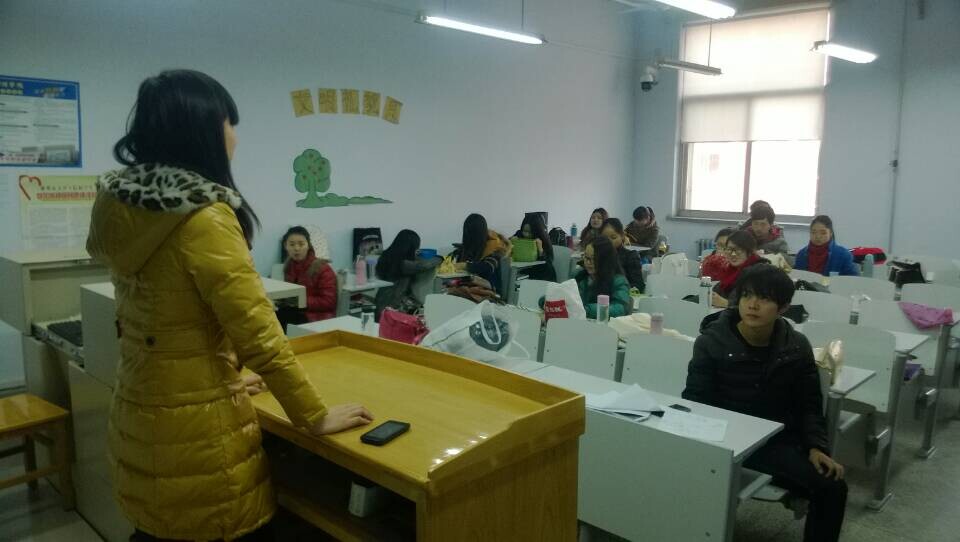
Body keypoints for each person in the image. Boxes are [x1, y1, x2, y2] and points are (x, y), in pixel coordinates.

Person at [86, 70, 373, 542]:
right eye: (229, 123)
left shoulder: (123, 207)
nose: (235, 136)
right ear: (202, 131)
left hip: (141, 412)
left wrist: (227, 374)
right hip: (199, 439)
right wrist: (314, 416)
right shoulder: (204, 216)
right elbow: (259, 334)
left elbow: (170, 322)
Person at [683, 265, 847, 542]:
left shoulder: (797, 346)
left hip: (774, 442)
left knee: (833, 486)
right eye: (747, 295)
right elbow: (696, 400)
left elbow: (809, 404)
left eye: (765, 298)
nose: (753, 305)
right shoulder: (712, 342)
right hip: (725, 437)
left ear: (783, 307)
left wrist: (817, 446)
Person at [374, 229, 441, 317]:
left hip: (381, 301)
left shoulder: (387, 256)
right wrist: (440, 258)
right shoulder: (403, 264)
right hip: (393, 306)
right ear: (410, 247)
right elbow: (424, 265)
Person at [280, 226, 337, 324]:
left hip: (316, 317)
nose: (296, 248)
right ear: (286, 246)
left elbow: (329, 302)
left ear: (308, 245)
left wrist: (301, 301)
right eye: (292, 244)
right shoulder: (289, 266)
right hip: (296, 311)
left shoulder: (322, 268)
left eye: (301, 244)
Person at [576, 236, 632, 319]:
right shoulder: (580, 277)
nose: (588, 262)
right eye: (586, 257)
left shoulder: (618, 281)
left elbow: (620, 309)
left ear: (605, 260)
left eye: (594, 259)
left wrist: (587, 310)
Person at [452, 213, 511, 291]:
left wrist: (465, 265)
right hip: (470, 286)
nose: (469, 237)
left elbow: (487, 267)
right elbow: (458, 258)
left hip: (489, 290)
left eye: (471, 234)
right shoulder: (471, 245)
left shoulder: (495, 247)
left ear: (478, 234)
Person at [711, 230, 768, 308]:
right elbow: (716, 290)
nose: (733, 254)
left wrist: (727, 303)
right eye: (729, 249)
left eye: (738, 250)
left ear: (749, 252)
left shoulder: (758, 272)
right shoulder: (731, 269)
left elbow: (756, 305)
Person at [794, 216, 859, 276]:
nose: (818, 236)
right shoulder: (801, 254)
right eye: (813, 232)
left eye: (823, 233)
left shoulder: (844, 255)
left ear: (830, 233)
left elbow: (853, 280)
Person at [600, 218, 645, 292]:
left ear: (622, 236)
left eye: (613, 237)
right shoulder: (598, 255)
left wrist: (618, 289)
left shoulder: (630, 256)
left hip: (621, 294)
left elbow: (638, 285)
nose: (609, 242)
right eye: (604, 238)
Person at [512, 213, 557, 281]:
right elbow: (506, 246)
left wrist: (540, 250)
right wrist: (510, 242)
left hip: (542, 273)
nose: (526, 234)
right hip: (525, 271)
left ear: (537, 231)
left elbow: (549, 262)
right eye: (525, 231)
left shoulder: (543, 239)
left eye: (530, 232)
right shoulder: (519, 234)